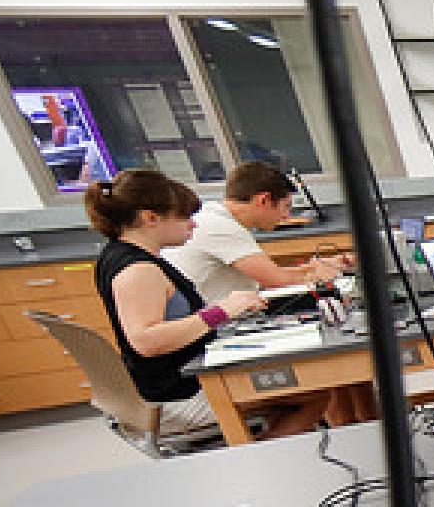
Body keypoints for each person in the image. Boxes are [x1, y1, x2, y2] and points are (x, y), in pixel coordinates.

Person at [86, 169, 328, 440]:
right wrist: (221, 312)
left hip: (176, 381)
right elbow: (146, 341)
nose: (193, 225)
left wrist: (226, 308)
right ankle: (254, 460)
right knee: (315, 393)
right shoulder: (138, 269)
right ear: (149, 218)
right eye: (185, 217)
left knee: (296, 389)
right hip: (178, 397)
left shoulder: (123, 255)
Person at [163, 161, 347, 304]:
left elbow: (269, 274)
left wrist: (314, 268)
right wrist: (320, 272)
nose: (286, 216)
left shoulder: (217, 217)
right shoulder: (220, 227)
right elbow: (277, 279)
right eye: (285, 207)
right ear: (264, 200)